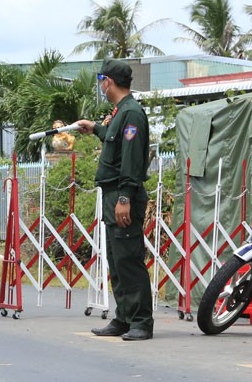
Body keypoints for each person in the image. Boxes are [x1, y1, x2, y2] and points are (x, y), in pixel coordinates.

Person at [77, 60, 153, 341]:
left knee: (129, 259)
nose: (100, 85)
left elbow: (132, 160)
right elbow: (116, 144)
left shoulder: (131, 113)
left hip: (123, 196)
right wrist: (96, 128)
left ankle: (142, 322)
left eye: (101, 79)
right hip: (113, 195)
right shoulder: (121, 113)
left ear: (108, 81)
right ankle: (124, 318)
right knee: (117, 259)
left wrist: (125, 197)